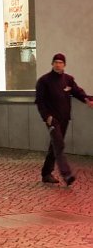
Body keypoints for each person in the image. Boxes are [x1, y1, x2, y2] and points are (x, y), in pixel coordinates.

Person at [35, 53, 93, 186]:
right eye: (55, 62)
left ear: (64, 65)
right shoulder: (44, 81)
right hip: (52, 119)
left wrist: (88, 99)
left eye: (60, 62)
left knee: (55, 145)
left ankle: (46, 173)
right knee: (59, 144)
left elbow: (78, 92)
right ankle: (67, 174)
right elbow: (40, 101)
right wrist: (47, 117)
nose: (58, 64)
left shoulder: (68, 80)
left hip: (64, 119)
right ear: (52, 64)